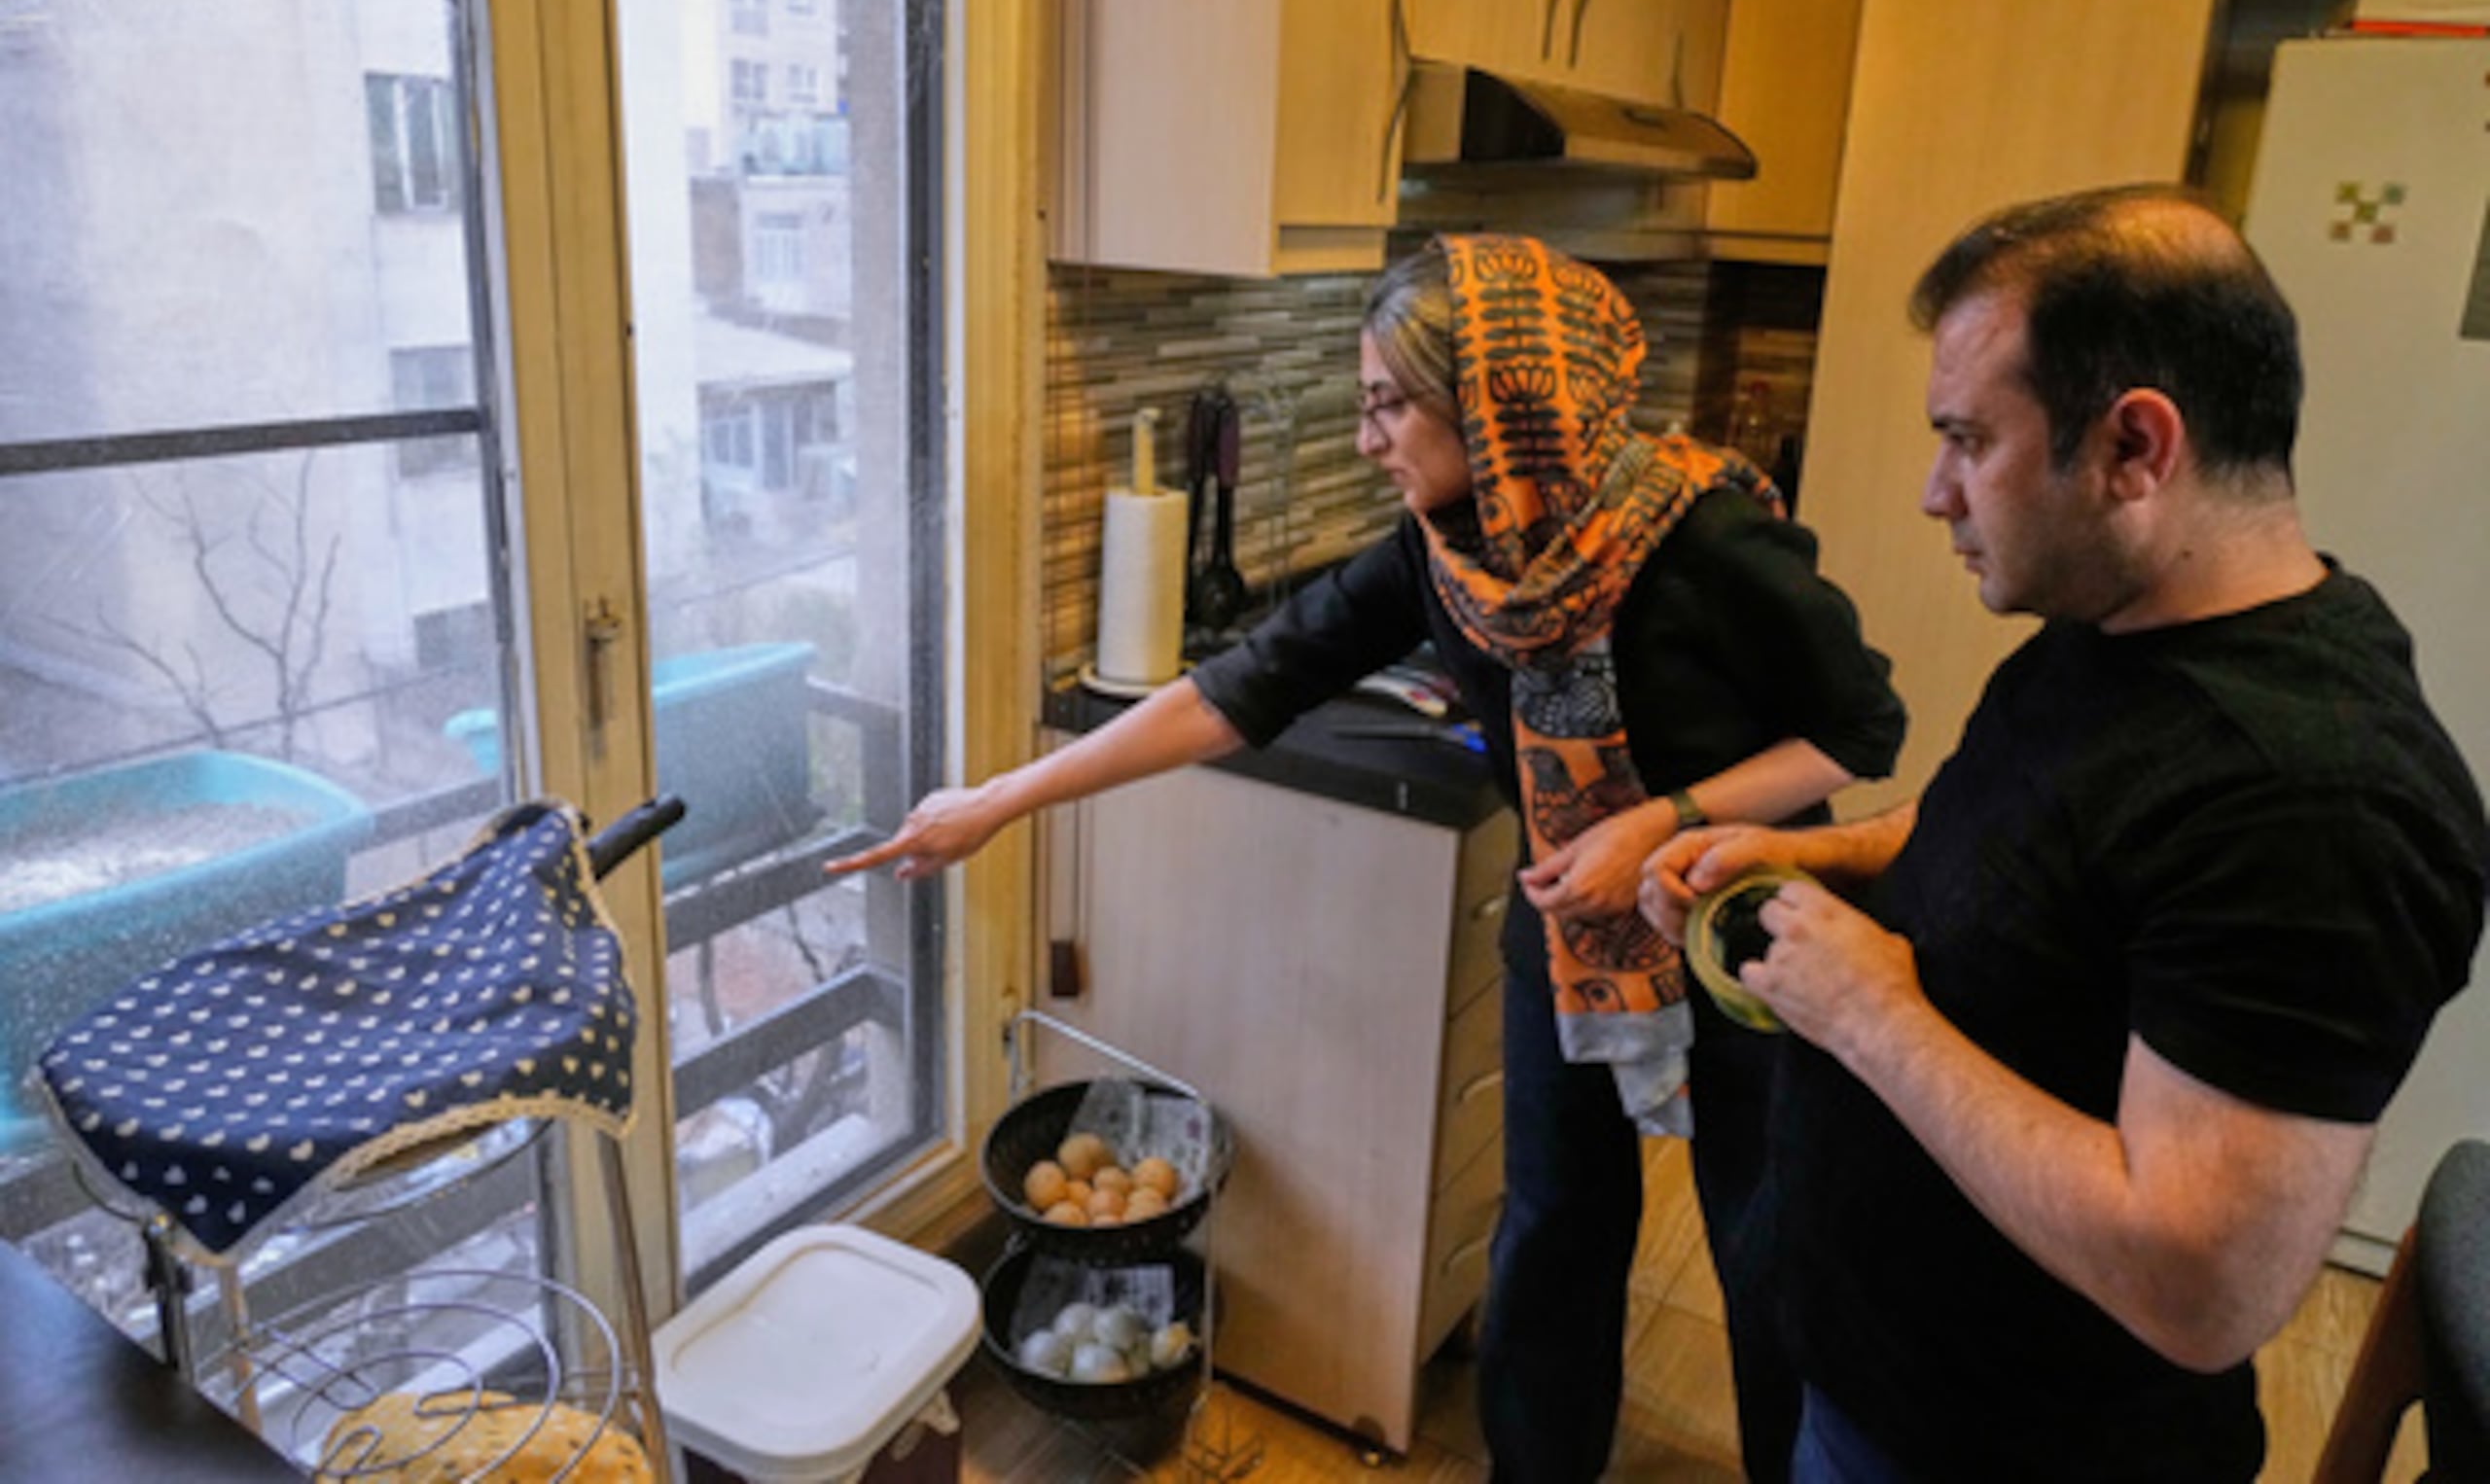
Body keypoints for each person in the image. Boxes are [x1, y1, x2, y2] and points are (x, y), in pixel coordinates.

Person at [834, 232, 1905, 1482]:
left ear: (1500, 405)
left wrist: (1661, 824)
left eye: (1391, 404)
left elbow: (1858, 729)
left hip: (1745, 939)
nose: (1366, 439)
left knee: (1767, 1240)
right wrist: (1004, 798)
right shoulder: (1447, 550)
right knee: (1556, 1229)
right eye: (1366, 404)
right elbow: (1248, 684)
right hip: (1568, 927)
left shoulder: (1703, 539)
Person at [1640, 185, 2490, 1482]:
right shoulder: (2119, 629)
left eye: (1968, 439)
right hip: (1879, 1377)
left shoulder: (2314, 805)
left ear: (2134, 448)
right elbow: (2006, 821)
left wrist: (1872, 1012)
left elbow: (2198, 1282)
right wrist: (1824, 853)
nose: (1936, 492)